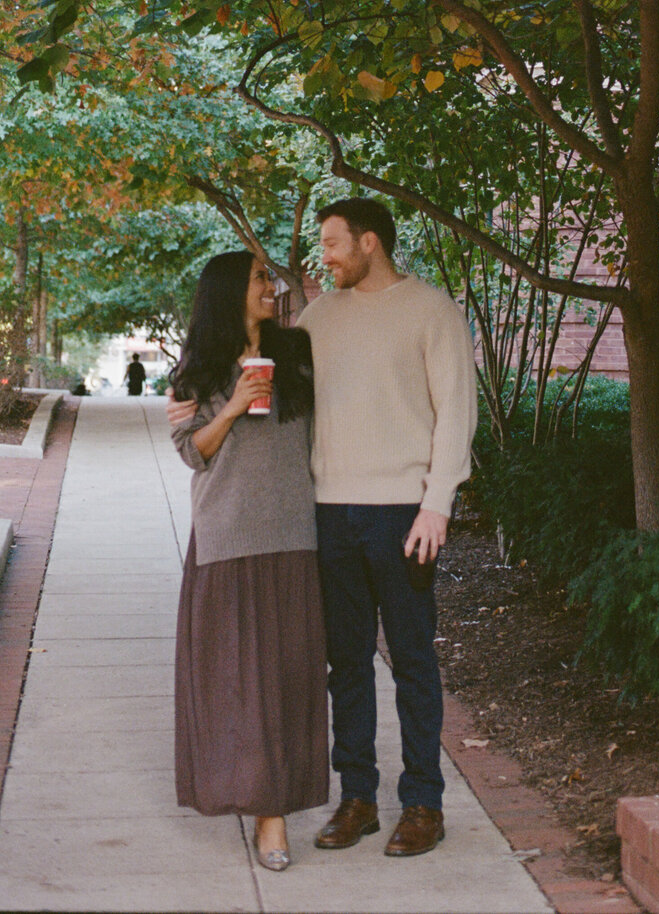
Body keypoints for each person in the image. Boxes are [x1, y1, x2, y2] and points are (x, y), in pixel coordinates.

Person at [298, 198, 475, 860]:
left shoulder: (431, 311)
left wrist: (438, 504)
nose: (324, 256)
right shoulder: (317, 318)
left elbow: (456, 411)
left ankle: (424, 803)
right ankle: (358, 800)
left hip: (404, 514)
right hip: (330, 512)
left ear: (369, 242)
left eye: (332, 243)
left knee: (412, 661)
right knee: (346, 663)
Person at [170, 252, 328, 872]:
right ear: (230, 291)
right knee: (236, 682)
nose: (272, 285)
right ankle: (263, 809)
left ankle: (275, 807)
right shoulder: (197, 370)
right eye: (261, 277)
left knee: (288, 680)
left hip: (293, 537)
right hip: (226, 538)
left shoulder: (297, 353)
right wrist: (233, 404)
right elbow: (193, 453)